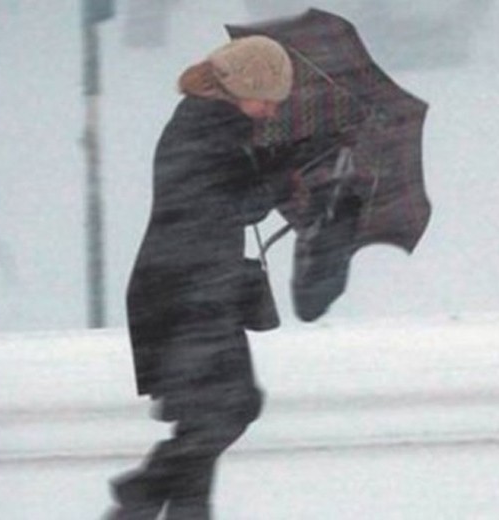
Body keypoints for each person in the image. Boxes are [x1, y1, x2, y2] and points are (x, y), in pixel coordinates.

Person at [105, 35, 346, 519]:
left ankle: (165, 507)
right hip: (181, 296)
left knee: (213, 414)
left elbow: (242, 177)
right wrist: (284, 176)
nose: (271, 110)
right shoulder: (200, 130)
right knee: (228, 409)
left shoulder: (213, 127)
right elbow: (234, 202)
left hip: (196, 291)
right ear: (241, 88)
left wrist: (305, 153)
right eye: (266, 99)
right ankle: (141, 493)